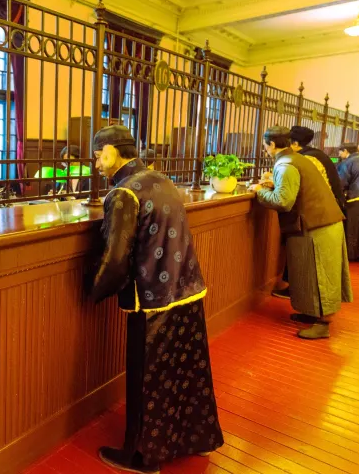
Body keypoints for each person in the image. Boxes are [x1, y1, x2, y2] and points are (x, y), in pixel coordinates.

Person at [87, 125, 223, 473]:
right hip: (187, 290)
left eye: (99, 156)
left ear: (113, 151)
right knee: (185, 372)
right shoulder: (160, 179)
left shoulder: (123, 193)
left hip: (151, 301)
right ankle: (194, 439)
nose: (97, 164)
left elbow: (116, 260)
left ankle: (141, 457)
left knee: (146, 380)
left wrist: (93, 291)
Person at [250, 126, 352, 339]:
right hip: (323, 222)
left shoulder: (285, 165)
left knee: (321, 275)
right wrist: (274, 184)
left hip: (317, 227)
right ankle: (312, 313)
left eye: (265, 146)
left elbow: (283, 201)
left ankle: (323, 323)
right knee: (310, 274)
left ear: (272, 144)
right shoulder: (298, 159)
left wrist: (260, 191)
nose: (265, 149)